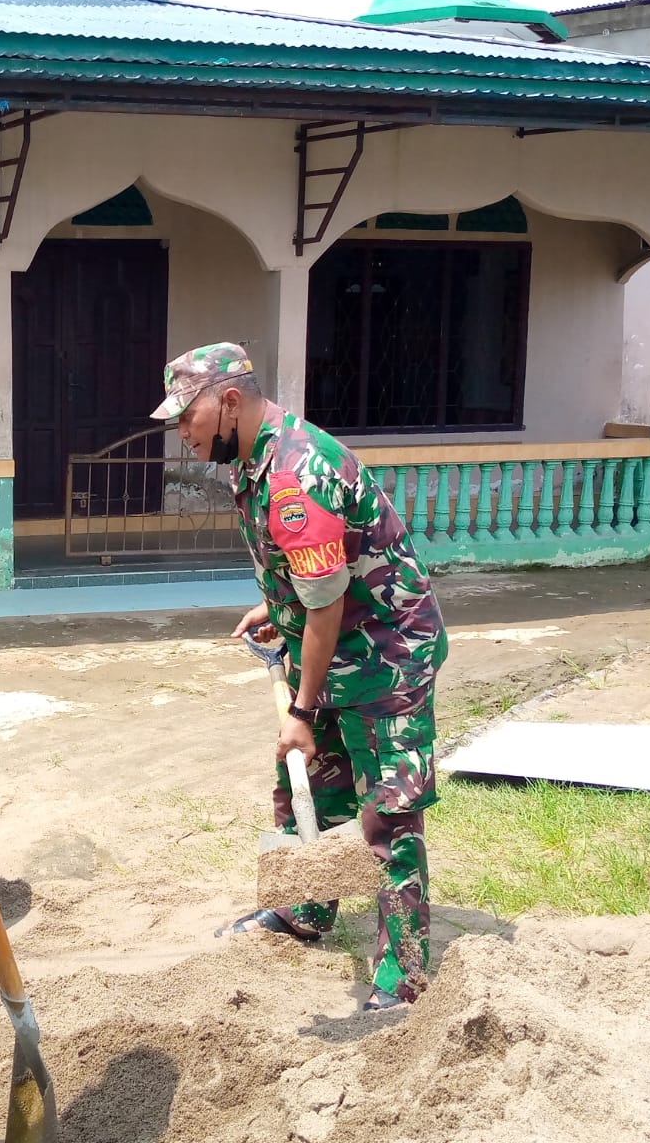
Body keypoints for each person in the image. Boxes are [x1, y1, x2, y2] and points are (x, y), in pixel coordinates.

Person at [151, 343, 448, 1012]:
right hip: (334, 636)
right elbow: (313, 578)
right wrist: (276, 603)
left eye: (186, 417)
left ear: (228, 401)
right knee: (317, 785)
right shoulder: (250, 459)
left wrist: (303, 711)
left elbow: (326, 602)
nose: (182, 433)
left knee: (387, 811)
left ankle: (403, 972)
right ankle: (305, 912)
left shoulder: (296, 475)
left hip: (385, 656)